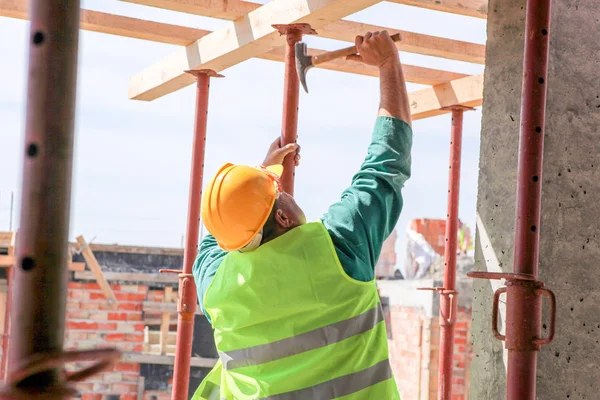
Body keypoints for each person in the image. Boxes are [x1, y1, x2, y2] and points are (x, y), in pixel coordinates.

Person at [191, 31, 413, 400]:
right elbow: (385, 163)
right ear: (283, 218)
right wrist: (388, 63)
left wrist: (263, 173)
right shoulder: (339, 248)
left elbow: (220, 229)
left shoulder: (216, 284)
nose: (287, 191)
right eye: (280, 193)